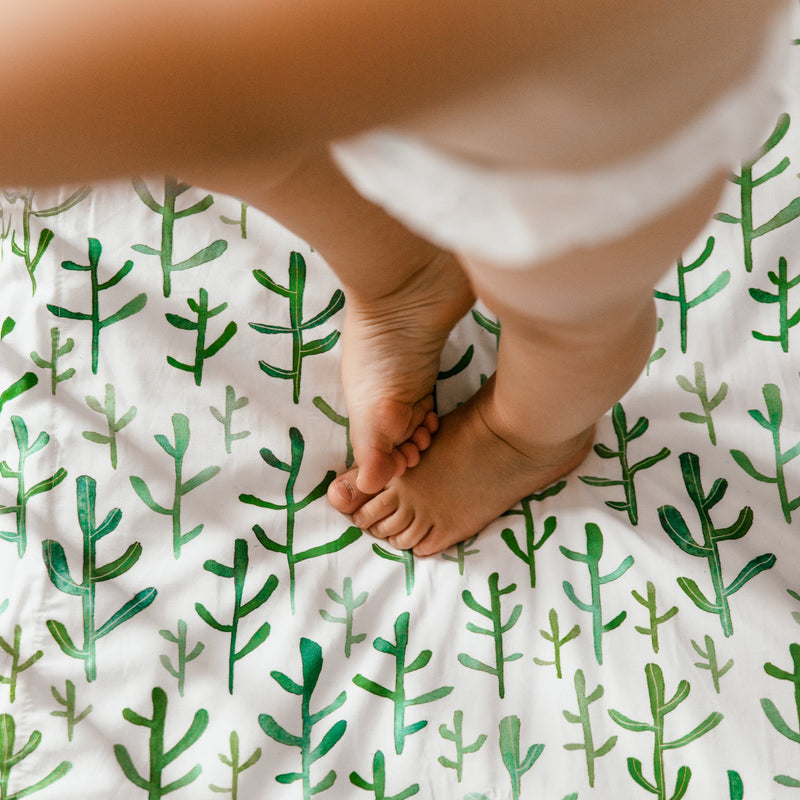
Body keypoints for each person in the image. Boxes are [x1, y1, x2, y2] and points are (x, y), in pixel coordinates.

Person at [0, 0, 790, 556]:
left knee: (566, 308)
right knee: (236, 143)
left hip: (583, 103)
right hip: (317, 78)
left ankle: (526, 435)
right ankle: (406, 277)